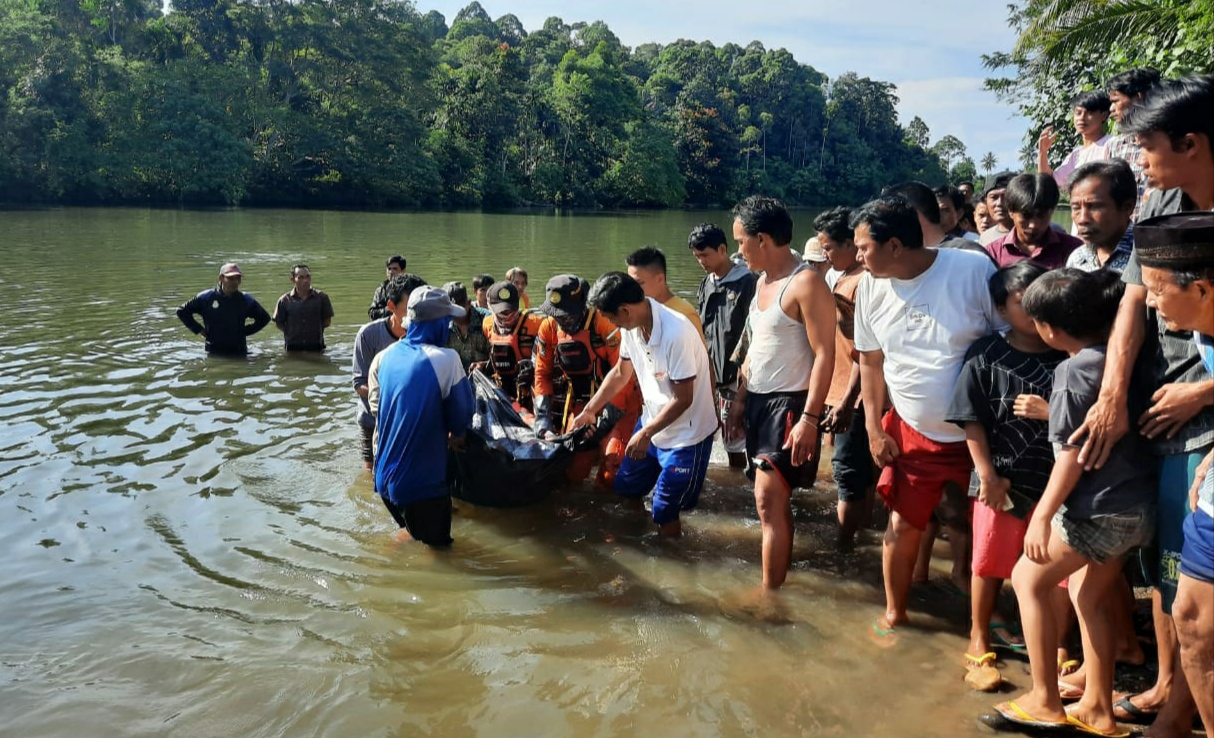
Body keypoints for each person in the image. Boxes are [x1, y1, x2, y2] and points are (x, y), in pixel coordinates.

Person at [1069, 77, 1213, 734]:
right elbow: (1135, 299)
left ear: (1192, 142)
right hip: (1156, 404)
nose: (1140, 159)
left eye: (1148, 145)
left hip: (1198, 410)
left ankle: (1183, 712)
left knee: (1195, 582)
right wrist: (1111, 396)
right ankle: (1164, 686)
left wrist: (1203, 391)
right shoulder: (1161, 201)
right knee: (1165, 565)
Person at [990, 268, 1156, 737]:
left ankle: (1044, 700)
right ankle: (1097, 708)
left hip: (1098, 507)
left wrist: (1041, 516)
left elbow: (1069, 458)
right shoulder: (1123, 360)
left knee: (1028, 578)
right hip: (1136, 505)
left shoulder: (1070, 370)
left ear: (1049, 329)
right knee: (1088, 595)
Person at [850, 196, 1004, 638]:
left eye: (863, 248)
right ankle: (896, 613)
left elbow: (1007, 339)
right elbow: (871, 362)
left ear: (895, 245)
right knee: (901, 525)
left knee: (985, 528)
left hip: (979, 435)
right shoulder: (870, 288)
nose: (858, 256)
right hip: (911, 432)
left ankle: (982, 623)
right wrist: (873, 429)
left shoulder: (970, 271)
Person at [945, 261, 1068, 691]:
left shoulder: (1069, 354)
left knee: (1057, 567)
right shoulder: (985, 354)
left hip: (1059, 483)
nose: (1034, 310)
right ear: (1001, 309)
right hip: (998, 478)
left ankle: (1057, 645)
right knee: (988, 562)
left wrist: (1049, 412)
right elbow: (971, 420)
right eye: (1022, 302)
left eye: (1040, 298)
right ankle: (979, 637)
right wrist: (987, 475)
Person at [724, 196, 835, 590]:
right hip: (757, 400)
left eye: (741, 242)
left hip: (789, 405)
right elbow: (755, 347)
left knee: (767, 502)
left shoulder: (805, 283)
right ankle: (776, 583)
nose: (738, 250)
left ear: (763, 239)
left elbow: (826, 355)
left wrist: (810, 418)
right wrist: (740, 399)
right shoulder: (761, 282)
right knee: (771, 502)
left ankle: (770, 597)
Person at [1135, 211, 1214, 735]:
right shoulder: (1205, 333)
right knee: (1189, 616)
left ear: (1203, 289)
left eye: (1159, 289)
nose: (1150, 301)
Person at [570, 272, 718, 537]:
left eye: (611, 316)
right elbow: (620, 373)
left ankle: (672, 562)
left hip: (687, 434)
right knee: (626, 487)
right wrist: (590, 410)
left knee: (664, 509)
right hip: (652, 421)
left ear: (625, 310)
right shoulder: (633, 327)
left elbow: (684, 398)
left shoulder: (676, 333)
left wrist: (645, 433)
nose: (610, 322)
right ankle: (633, 543)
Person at [368, 286, 474, 547]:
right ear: (437, 323)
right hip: (421, 486)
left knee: (415, 534)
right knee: (442, 554)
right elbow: (462, 420)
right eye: (447, 320)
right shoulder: (447, 359)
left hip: (383, 480)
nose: (449, 326)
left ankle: (388, 561)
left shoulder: (386, 356)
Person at [533, 274, 638, 485]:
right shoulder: (549, 328)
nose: (563, 321)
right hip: (580, 405)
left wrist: (603, 424)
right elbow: (542, 374)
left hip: (618, 402)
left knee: (614, 464)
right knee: (571, 473)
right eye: (558, 315)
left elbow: (625, 377)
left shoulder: (605, 324)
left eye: (568, 316)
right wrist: (542, 419)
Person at [814, 206, 874, 550]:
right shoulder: (842, 276)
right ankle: (861, 537)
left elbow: (864, 351)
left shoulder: (862, 283)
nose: (824, 254)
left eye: (828, 248)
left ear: (852, 244)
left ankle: (843, 548)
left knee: (847, 473)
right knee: (858, 472)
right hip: (845, 391)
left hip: (854, 395)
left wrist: (846, 401)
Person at [689, 222, 757, 470]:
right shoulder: (706, 284)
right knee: (718, 434)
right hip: (712, 374)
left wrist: (743, 383)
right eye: (697, 257)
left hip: (738, 377)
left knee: (736, 440)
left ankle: (739, 485)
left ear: (722, 249)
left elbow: (754, 334)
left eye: (705, 255)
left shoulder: (748, 282)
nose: (701, 262)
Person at [352, 274, 424, 470]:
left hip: (413, 419)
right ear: (391, 307)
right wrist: (393, 398)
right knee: (372, 473)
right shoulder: (369, 334)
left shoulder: (428, 333)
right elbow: (359, 384)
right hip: (373, 419)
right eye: (410, 308)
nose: (418, 314)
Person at [985, 173, 1082, 269]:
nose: (1033, 225)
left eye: (1041, 216)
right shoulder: (992, 253)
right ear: (1011, 211)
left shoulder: (1074, 249)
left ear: (1052, 211)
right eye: (1026, 216)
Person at [176, 262, 272, 356]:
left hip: (239, 351)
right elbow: (182, 311)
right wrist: (200, 330)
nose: (235, 282)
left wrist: (244, 332)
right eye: (230, 278)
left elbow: (264, 318)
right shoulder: (207, 297)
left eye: (238, 278)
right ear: (221, 278)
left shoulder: (245, 299)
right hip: (213, 351)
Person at [1106, 68, 1162, 220]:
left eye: (1116, 101)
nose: (1111, 109)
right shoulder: (1115, 146)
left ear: (1139, 97)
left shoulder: (1168, 141)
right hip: (1124, 236)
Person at [481, 280, 544, 411]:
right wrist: (483, 365)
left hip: (531, 389)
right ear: (490, 308)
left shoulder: (536, 324)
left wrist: (534, 369)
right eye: (502, 312)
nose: (507, 315)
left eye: (511, 310)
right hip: (502, 390)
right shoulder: (487, 325)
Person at [1065, 160, 1136, 273]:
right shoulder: (1077, 259)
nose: (1083, 219)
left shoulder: (1148, 258)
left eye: (1094, 207)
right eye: (1076, 208)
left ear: (1127, 207)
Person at [1038, 91, 1112, 198]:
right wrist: (1042, 152)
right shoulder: (1076, 155)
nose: (1082, 118)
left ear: (1103, 115)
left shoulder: (1111, 144)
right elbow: (1048, 182)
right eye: (1078, 113)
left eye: (1089, 113)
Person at [624, 246, 705, 340]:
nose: (632, 289)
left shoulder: (684, 314)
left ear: (660, 279)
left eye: (639, 283)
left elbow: (701, 354)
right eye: (630, 284)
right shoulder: (637, 312)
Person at [272, 264, 334, 352]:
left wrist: (313, 330)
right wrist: (293, 332)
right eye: (300, 277)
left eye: (308, 276)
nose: (305, 280)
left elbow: (327, 321)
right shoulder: (284, 300)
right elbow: (279, 324)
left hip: (316, 347)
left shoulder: (322, 298)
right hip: (292, 349)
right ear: (293, 280)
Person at [443, 281, 491, 372]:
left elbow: (500, 359)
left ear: (468, 303)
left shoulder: (487, 320)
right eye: (450, 311)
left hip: (485, 378)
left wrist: (484, 364)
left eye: (458, 310)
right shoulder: (443, 324)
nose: (454, 315)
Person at [979, 172, 1017, 245]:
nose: (999, 203)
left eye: (1006, 197)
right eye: (994, 197)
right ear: (986, 201)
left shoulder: (1032, 233)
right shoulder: (985, 238)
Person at [368, 255, 407, 320]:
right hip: (383, 325)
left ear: (403, 271)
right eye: (389, 269)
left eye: (395, 269)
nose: (391, 272)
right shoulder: (380, 291)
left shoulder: (409, 288)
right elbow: (372, 313)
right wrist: (391, 309)